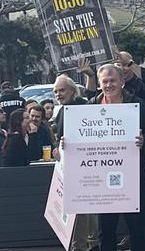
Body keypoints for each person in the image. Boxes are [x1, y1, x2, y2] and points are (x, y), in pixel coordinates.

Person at [88, 64, 145, 251]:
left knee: (138, 228)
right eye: (105, 81)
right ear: (99, 84)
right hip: (102, 178)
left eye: (112, 80)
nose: (109, 85)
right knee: (105, 229)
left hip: (133, 176)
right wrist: (66, 143)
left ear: (122, 81)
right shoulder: (91, 106)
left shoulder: (136, 104)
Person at [51, 74, 96, 251]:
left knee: (83, 208)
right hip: (68, 165)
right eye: (55, 91)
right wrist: (57, 147)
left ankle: (83, 245)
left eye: (61, 90)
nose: (58, 94)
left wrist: (90, 76)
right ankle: (85, 243)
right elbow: (61, 136)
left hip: (86, 164)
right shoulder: (61, 111)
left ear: (72, 90)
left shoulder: (82, 105)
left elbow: (91, 96)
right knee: (79, 209)